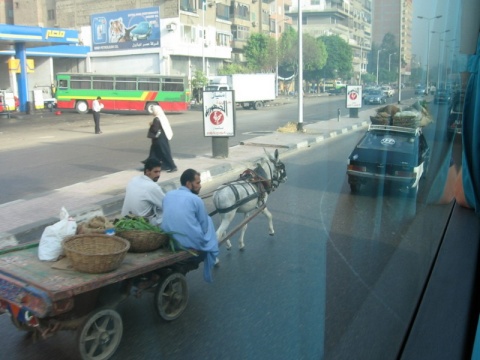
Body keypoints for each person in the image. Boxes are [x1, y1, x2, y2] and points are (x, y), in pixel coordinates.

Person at [161, 169, 219, 282]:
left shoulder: (168, 195)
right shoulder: (196, 200)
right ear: (188, 184)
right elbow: (204, 226)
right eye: (197, 183)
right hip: (187, 244)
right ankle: (212, 248)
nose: (200, 186)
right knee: (208, 220)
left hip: (169, 240)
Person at [121, 158, 165, 227]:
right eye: (156, 172)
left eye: (159, 172)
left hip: (125, 219)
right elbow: (166, 205)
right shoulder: (152, 187)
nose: (158, 175)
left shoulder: (134, 179)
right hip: (141, 223)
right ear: (147, 171)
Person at [145, 105, 178, 172]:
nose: (153, 112)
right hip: (162, 138)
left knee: (164, 152)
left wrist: (151, 125)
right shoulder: (162, 117)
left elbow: (155, 129)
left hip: (159, 139)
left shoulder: (156, 119)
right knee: (154, 154)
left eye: (153, 111)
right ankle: (150, 167)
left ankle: (173, 166)